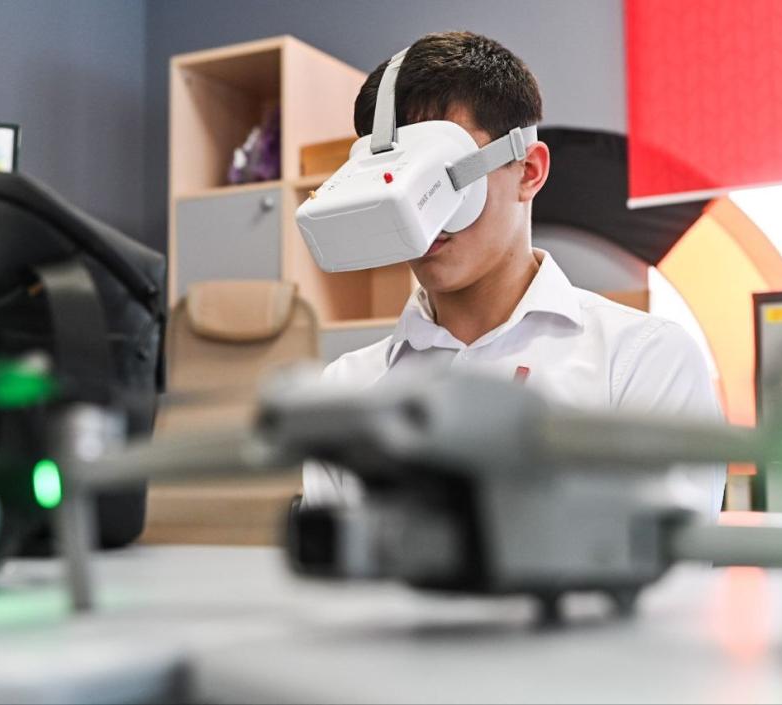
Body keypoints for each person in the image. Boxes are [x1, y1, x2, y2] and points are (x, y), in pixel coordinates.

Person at [303, 31, 725, 515]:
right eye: (398, 178)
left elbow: (665, 558)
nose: (422, 211)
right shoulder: (345, 391)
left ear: (528, 171)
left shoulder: (643, 362)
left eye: (438, 174)